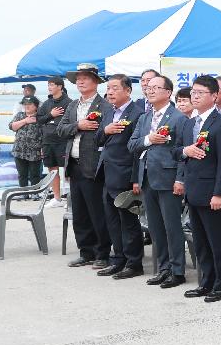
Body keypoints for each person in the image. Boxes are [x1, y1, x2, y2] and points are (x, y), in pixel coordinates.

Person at [175, 76, 221, 303]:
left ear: (214, 96)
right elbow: (176, 151)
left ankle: (220, 286)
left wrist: (219, 193)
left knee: (216, 241)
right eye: (193, 92)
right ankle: (206, 282)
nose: (195, 96)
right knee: (200, 242)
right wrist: (186, 151)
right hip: (193, 191)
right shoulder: (190, 123)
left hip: (212, 192)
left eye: (201, 92)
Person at [128, 74, 188, 288]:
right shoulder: (145, 117)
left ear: (168, 92)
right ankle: (163, 268)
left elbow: (183, 153)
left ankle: (177, 270)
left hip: (169, 178)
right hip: (147, 178)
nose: (150, 90)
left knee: (172, 227)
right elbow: (132, 145)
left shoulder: (179, 118)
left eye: (155, 87)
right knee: (155, 228)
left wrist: (180, 179)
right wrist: (148, 139)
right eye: (148, 87)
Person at [55, 64, 113, 269]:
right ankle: (85, 251)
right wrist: (77, 126)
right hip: (74, 164)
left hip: (94, 165)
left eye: (85, 78)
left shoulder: (105, 106)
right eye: (78, 78)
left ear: (96, 81)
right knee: (79, 212)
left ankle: (103, 253)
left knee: (97, 211)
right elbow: (60, 130)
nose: (80, 81)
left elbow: (107, 136)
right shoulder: (72, 106)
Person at [95, 75, 145, 279]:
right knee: (112, 221)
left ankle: (134, 263)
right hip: (107, 173)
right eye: (108, 88)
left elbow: (138, 150)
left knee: (128, 221)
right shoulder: (108, 112)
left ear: (128, 91)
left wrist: (136, 178)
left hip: (125, 174)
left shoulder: (138, 113)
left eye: (115, 88)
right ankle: (118, 259)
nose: (110, 92)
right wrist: (105, 130)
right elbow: (97, 138)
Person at [38, 76, 72, 207]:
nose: (49, 87)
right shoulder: (47, 103)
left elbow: (72, 121)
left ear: (60, 86)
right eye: (48, 85)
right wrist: (50, 115)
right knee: (53, 170)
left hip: (63, 141)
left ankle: (71, 199)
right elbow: (39, 119)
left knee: (69, 170)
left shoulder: (69, 102)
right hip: (48, 141)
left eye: (52, 85)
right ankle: (57, 198)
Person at [8, 96, 45, 189]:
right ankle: (23, 193)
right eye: (25, 104)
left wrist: (43, 149)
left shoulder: (41, 118)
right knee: (22, 174)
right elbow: (12, 127)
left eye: (29, 104)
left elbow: (45, 134)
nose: (26, 106)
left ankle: (35, 193)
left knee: (35, 174)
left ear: (36, 106)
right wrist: (25, 121)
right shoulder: (19, 115)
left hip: (35, 151)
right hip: (19, 150)